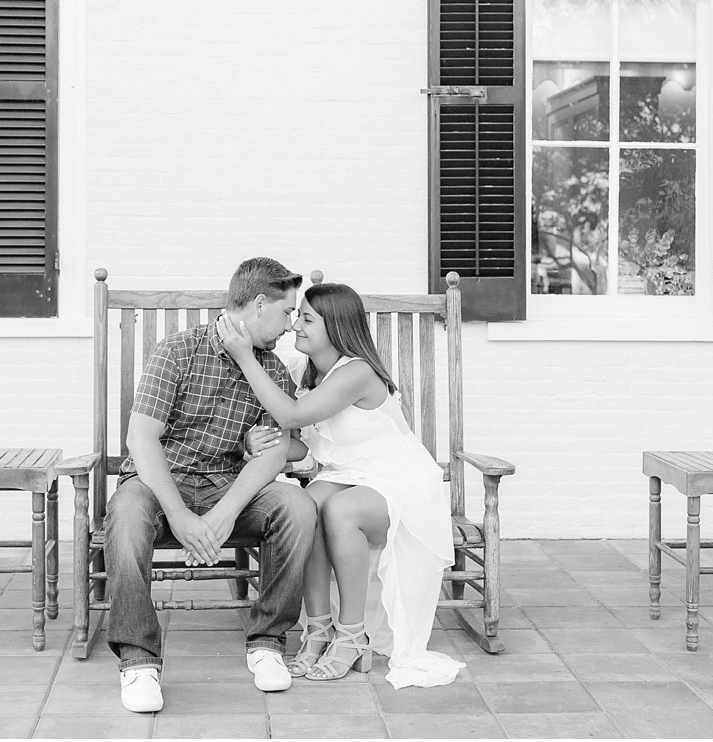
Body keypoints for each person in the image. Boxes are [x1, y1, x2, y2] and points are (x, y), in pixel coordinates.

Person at [219, 282, 465, 689]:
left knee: (339, 510)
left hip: (401, 482)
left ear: (336, 327)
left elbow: (293, 414)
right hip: (347, 476)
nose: (295, 325)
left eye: (308, 319)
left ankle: (353, 635)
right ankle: (318, 629)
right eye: (297, 316)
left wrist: (245, 358)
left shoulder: (357, 372)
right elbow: (303, 446)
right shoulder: (307, 371)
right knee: (303, 506)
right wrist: (255, 442)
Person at [107, 257, 318, 714]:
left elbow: (277, 452)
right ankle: (139, 661)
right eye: (286, 313)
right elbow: (141, 438)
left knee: (297, 506)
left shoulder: (272, 371)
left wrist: (221, 517)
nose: (288, 326)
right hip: (160, 484)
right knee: (125, 514)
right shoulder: (177, 352)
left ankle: (267, 641)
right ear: (260, 304)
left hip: (228, 489)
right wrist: (181, 516)